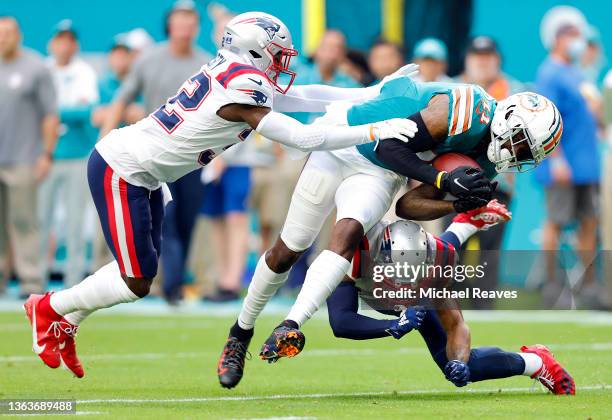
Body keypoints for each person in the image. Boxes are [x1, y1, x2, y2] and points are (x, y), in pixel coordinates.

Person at [24, 11, 417, 379]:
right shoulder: (244, 84)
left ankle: (66, 321)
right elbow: (303, 137)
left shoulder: (236, 74)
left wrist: (371, 93)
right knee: (137, 281)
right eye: (277, 55)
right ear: (254, 50)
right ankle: (49, 307)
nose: (281, 63)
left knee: (140, 267)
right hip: (123, 168)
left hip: (144, 170)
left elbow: (303, 96)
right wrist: (374, 130)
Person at [218, 75, 563, 388]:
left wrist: (456, 205)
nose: (516, 154)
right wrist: (444, 181)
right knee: (288, 250)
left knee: (349, 230)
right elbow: (387, 144)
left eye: (526, 154)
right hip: (345, 139)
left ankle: (290, 325)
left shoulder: (484, 164)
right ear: (508, 119)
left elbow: (407, 207)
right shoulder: (461, 110)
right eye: (520, 144)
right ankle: (240, 332)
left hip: (379, 172)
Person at [325, 202, 575, 395]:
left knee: (459, 367)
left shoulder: (436, 262)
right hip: (366, 278)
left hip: (425, 285)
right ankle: (467, 222)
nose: (403, 283)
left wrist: (460, 362)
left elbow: (456, 325)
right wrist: (392, 326)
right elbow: (340, 321)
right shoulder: (350, 253)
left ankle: (537, 362)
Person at [99, 0, 212, 304]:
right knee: (167, 220)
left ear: (197, 27)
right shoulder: (148, 60)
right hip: (155, 157)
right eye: (179, 21)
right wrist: (106, 137)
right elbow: (122, 98)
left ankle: (173, 280)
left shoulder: (207, 64)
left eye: (190, 21)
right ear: (170, 25)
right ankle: (169, 286)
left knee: (187, 221)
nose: (185, 27)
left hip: (193, 158)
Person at [535, 17, 600, 296]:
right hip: (564, 164)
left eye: (578, 34)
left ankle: (588, 284)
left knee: (590, 221)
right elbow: (545, 119)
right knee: (556, 221)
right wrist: (557, 159)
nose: (576, 39)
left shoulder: (578, 72)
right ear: (556, 38)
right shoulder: (549, 73)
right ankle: (549, 282)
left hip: (587, 164)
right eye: (570, 34)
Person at [0, 16, 59, 298]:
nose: (3, 38)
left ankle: (30, 280)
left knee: (24, 221)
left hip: (23, 158)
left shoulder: (35, 68)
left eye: (8, 33)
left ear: (19, 36)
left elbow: (50, 115)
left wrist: (46, 153)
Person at [39, 20, 99, 288]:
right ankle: (36, 279)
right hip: (45, 155)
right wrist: (61, 112)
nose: (64, 45)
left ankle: (73, 282)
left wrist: (52, 113)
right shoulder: (43, 70)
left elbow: (88, 112)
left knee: (75, 221)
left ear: (75, 45)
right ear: (52, 43)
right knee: (41, 219)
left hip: (77, 155)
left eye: (69, 40)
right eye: (60, 39)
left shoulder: (84, 72)